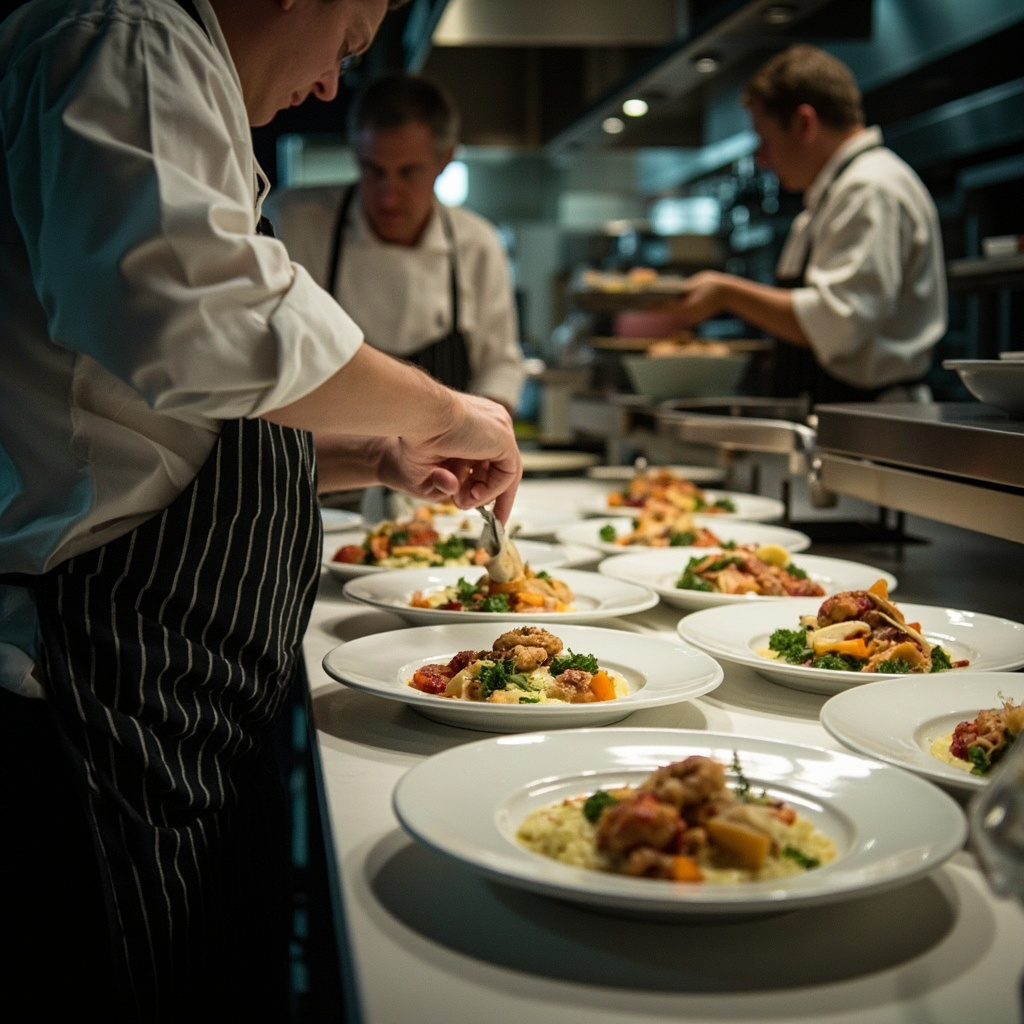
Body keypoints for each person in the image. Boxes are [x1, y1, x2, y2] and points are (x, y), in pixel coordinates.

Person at [0, 1, 520, 1022]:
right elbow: (199, 326)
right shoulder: (125, 33)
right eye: (351, 36)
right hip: (94, 687)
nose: (331, 83)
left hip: (176, 686)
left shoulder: (166, 63)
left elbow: (173, 421)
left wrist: (376, 449)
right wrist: (448, 409)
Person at [666, 44, 947, 405]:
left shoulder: (869, 188)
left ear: (804, 123)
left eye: (765, 141)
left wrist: (725, 292)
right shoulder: (830, 196)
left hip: (872, 422)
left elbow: (836, 324)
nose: (763, 160)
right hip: (836, 414)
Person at [269, 70, 526, 415]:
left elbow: (500, 367)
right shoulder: (294, 224)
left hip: (440, 461)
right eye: (373, 170)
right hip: (326, 457)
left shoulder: (477, 244)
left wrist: (477, 442)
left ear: (445, 159)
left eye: (409, 173)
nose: (388, 197)